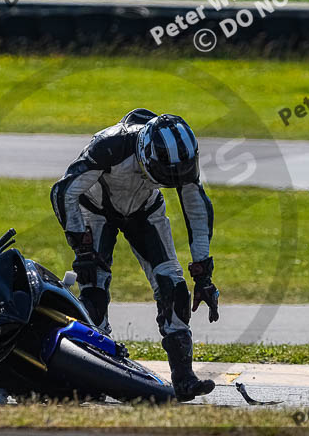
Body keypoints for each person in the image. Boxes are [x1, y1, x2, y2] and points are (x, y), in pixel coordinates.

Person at [50, 108, 219, 401]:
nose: (173, 178)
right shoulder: (109, 145)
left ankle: (184, 378)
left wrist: (203, 273)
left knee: (174, 287)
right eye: (166, 173)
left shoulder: (180, 157)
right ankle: (92, 375)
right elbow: (63, 191)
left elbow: (197, 208)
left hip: (146, 213)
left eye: (179, 173)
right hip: (96, 212)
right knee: (94, 288)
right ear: (145, 152)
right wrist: (82, 247)